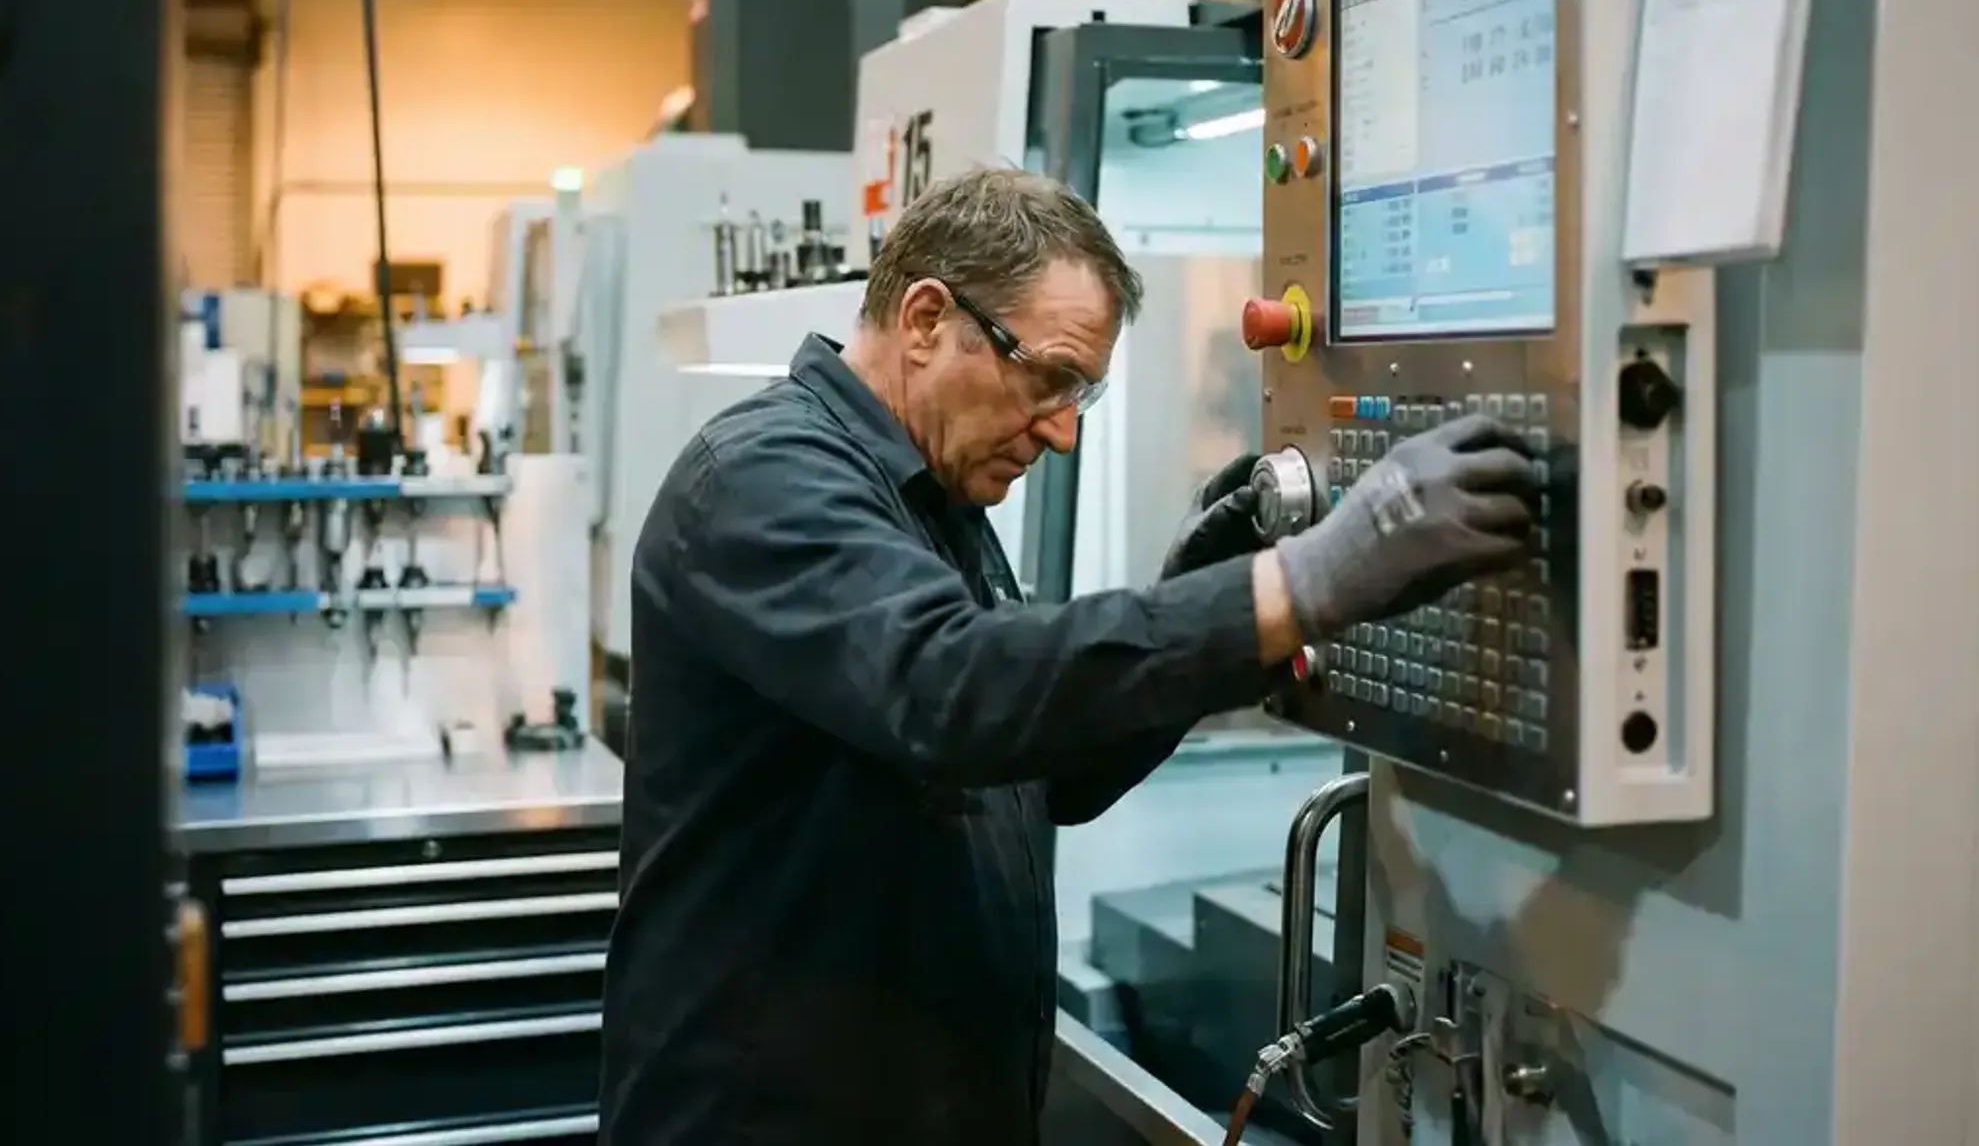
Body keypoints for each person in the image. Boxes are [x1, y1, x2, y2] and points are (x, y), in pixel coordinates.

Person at [599, 168, 1539, 1146]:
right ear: (925, 319)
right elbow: (949, 688)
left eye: (1081, 391)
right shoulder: (761, 477)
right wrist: (1302, 583)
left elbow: (1038, 764)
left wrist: (1199, 596)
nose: (1060, 429)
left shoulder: (936, 502)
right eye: (1047, 376)